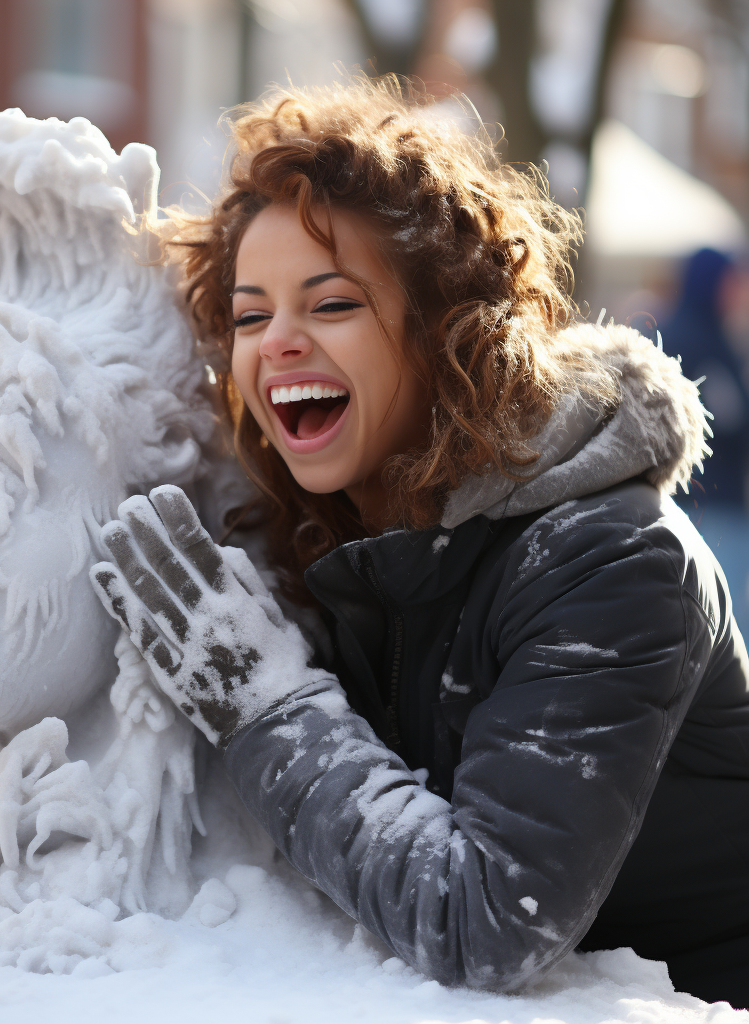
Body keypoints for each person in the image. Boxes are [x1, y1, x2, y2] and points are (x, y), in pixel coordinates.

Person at [90, 78, 749, 1008]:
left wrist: (262, 700)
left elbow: (486, 921)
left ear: (448, 330)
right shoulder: (337, 536)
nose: (276, 341)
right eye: (249, 314)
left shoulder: (613, 560)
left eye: (331, 304)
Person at [662, 248, 749, 628]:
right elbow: (730, 422)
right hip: (706, 507)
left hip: (680, 504)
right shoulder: (698, 342)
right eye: (733, 281)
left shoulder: (690, 333)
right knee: (718, 625)